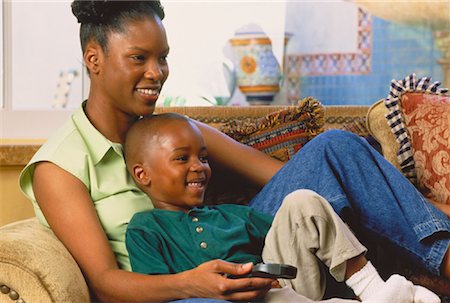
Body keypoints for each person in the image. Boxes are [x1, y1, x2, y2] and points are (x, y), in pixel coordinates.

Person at [18, 0, 449, 302]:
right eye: (138, 58)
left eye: (162, 58)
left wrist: (393, 191)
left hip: (260, 257)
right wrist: (193, 284)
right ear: (94, 59)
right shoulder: (60, 167)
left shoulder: (171, 130)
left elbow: (286, 175)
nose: (157, 73)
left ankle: (444, 257)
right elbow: (107, 283)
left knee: (333, 146)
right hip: (174, 287)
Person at [123, 112, 440, 303]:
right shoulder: (146, 228)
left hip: (278, 293)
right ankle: (405, 296)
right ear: (142, 174)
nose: (200, 167)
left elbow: (289, 238)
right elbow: (157, 290)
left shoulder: (231, 214)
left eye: (204, 158)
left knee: (301, 201)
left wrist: (267, 275)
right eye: (182, 158)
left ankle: (371, 288)